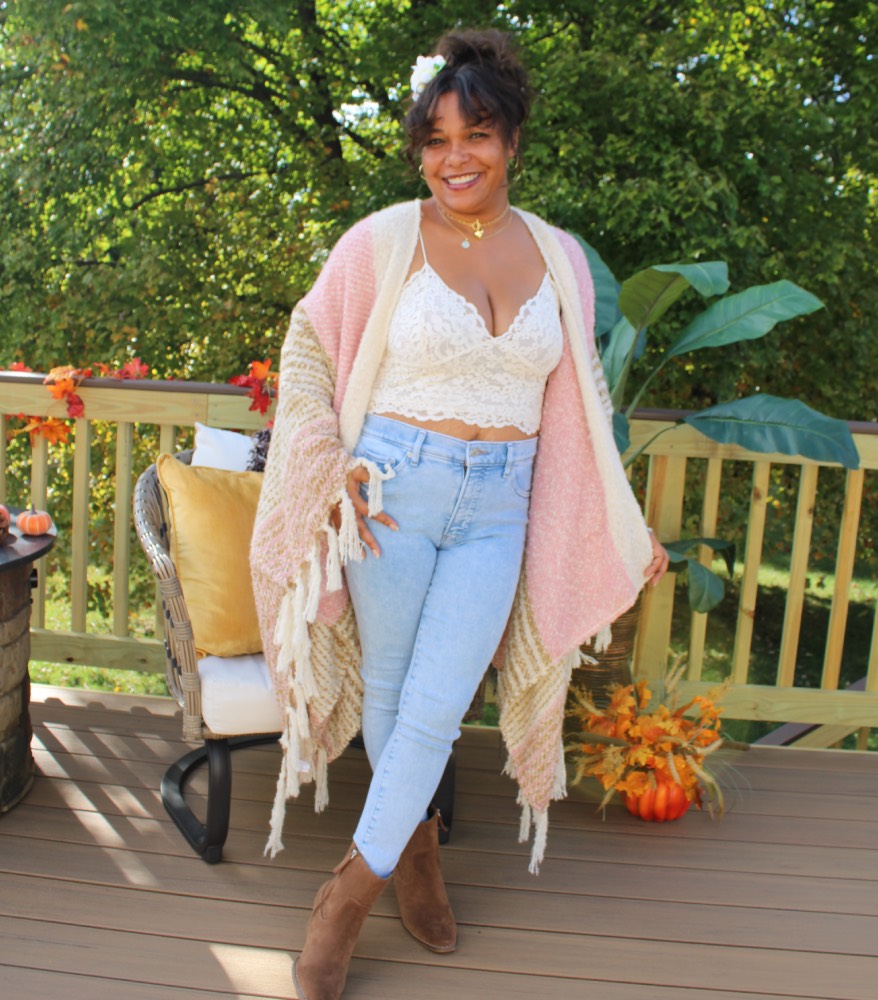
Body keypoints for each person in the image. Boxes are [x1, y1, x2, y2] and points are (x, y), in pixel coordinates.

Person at [250, 28, 668, 1000]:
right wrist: (326, 462)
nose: (454, 159)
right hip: (392, 485)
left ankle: (344, 896)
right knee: (398, 693)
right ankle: (417, 859)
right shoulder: (382, 240)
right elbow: (308, 349)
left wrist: (618, 521)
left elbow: (581, 411)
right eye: (434, 140)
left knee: (439, 702)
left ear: (512, 139)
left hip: (501, 502)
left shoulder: (560, 260)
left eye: (475, 133)